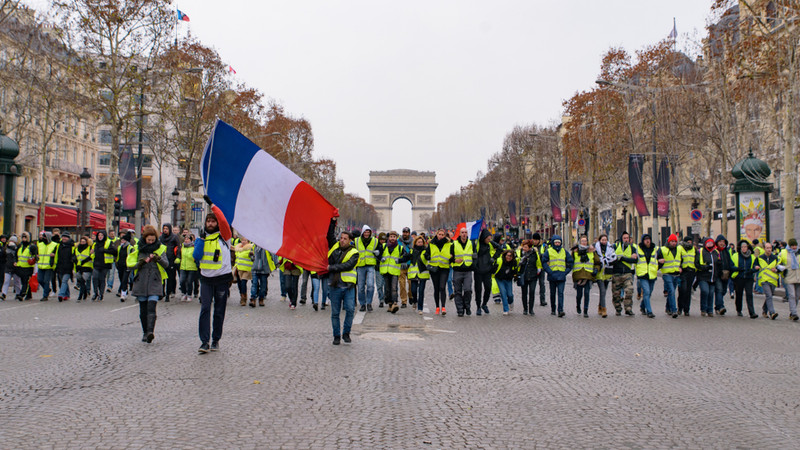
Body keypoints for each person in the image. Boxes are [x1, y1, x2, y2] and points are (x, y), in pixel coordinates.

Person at [194, 205, 234, 354]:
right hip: (206, 279)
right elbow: (196, 257)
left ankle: (215, 339)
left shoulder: (225, 237)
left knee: (219, 310)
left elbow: (224, 221)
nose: (210, 224)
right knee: (205, 308)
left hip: (222, 279)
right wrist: (200, 241)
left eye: (213, 221)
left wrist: (213, 206)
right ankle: (204, 341)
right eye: (208, 222)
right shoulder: (201, 238)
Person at [128, 225, 168, 343]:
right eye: (149, 240)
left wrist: (158, 259)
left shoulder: (160, 248)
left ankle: (150, 331)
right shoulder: (137, 248)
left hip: (154, 281)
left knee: (152, 307)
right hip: (141, 281)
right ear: (144, 238)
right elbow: (130, 265)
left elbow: (166, 264)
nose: (151, 242)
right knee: (143, 310)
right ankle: (145, 332)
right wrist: (140, 263)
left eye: (153, 240)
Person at [327, 217, 359, 345]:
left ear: (350, 241)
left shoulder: (355, 252)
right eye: (341, 238)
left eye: (345, 239)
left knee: (350, 310)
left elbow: (348, 266)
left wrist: (331, 268)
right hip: (335, 285)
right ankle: (336, 335)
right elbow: (329, 235)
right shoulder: (334, 248)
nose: (342, 240)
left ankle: (346, 333)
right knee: (335, 313)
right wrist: (333, 221)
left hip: (348, 287)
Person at [377, 230, 410, 314]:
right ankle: (390, 304)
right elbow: (377, 254)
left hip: (395, 271)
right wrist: (381, 258)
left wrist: (400, 260)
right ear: (389, 237)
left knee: (394, 288)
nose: (392, 238)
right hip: (385, 271)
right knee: (387, 289)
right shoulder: (383, 246)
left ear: (396, 238)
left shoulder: (400, 248)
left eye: (394, 237)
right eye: (391, 236)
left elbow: (407, 256)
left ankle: (395, 303)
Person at [541, 235, 573, 317]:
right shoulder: (548, 251)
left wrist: (565, 272)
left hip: (561, 275)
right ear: (553, 243)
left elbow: (570, 263)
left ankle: (560, 310)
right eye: (556, 242)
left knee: (560, 293)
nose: (557, 244)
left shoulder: (564, 251)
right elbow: (544, 262)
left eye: (559, 242)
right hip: (552, 275)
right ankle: (553, 309)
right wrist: (549, 271)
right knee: (552, 293)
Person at [424, 228, 452, 315]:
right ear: (436, 235)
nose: (440, 236)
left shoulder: (449, 244)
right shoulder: (431, 244)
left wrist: (451, 258)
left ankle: (443, 307)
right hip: (434, 269)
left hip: (444, 268)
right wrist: (428, 257)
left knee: (442, 287)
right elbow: (426, 254)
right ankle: (437, 307)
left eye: (442, 235)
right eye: (439, 234)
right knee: (436, 288)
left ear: (444, 235)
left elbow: (453, 254)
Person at [450, 227, 475, 317]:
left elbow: (474, 255)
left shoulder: (471, 243)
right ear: (460, 234)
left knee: (468, 290)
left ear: (467, 234)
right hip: (457, 270)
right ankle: (460, 310)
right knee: (458, 292)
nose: (464, 234)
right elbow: (449, 257)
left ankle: (467, 306)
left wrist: (473, 266)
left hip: (468, 270)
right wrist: (454, 260)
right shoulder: (454, 244)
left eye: (465, 232)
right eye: (462, 232)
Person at [571, 235, 599, 318]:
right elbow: (570, 261)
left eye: (585, 241)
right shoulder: (575, 251)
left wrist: (596, 270)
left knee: (587, 293)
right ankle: (578, 306)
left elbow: (597, 262)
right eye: (582, 241)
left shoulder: (592, 251)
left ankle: (586, 310)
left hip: (588, 275)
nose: (584, 242)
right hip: (578, 275)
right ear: (580, 242)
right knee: (579, 294)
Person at [611, 231, 638, 316]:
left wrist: (623, 258)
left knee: (630, 290)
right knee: (616, 294)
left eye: (627, 238)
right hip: (616, 273)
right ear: (621, 239)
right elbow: (612, 258)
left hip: (627, 273)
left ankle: (628, 308)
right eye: (624, 238)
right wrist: (627, 257)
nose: (626, 240)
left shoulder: (632, 248)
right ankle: (618, 309)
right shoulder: (615, 247)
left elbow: (635, 260)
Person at [473, 229, 498, 316]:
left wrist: (494, 258)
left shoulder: (490, 244)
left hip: (487, 270)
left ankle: (484, 304)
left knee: (488, 287)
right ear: (484, 238)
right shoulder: (476, 244)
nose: (489, 240)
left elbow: (500, 248)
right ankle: (478, 307)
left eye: (490, 239)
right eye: (488, 238)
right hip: (478, 270)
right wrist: (474, 257)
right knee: (478, 289)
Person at [731, 239, 759, 318]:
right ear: (740, 248)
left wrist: (752, 270)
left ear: (748, 247)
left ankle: (752, 312)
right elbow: (731, 266)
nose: (744, 248)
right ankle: (739, 310)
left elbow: (756, 267)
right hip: (739, 278)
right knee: (739, 294)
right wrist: (737, 268)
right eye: (742, 247)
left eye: (745, 247)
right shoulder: (735, 255)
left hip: (749, 278)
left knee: (749, 294)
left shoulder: (752, 257)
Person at [354, 225, 378, 312]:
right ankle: (362, 304)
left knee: (370, 285)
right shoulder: (356, 241)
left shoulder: (375, 241)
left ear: (370, 232)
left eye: (368, 232)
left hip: (370, 265)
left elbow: (380, 249)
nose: (367, 234)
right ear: (362, 232)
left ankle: (369, 303)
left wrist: (378, 253)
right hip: (360, 265)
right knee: (360, 287)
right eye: (365, 232)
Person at [657, 234, 682, 318]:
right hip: (667, 274)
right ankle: (674, 310)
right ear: (668, 241)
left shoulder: (679, 249)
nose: (674, 243)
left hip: (676, 274)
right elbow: (655, 258)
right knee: (671, 290)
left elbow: (682, 259)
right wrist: (659, 260)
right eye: (672, 241)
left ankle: (667, 308)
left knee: (672, 292)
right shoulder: (662, 249)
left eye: (675, 241)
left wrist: (680, 267)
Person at [696, 237, 721, 317]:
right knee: (705, 291)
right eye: (708, 243)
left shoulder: (716, 252)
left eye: (711, 243)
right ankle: (703, 309)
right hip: (703, 276)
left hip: (713, 277)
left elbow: (719, 263)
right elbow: (696, 264)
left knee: (711, 293)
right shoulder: (700, 251)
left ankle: (710, 310)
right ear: (705, 244)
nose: (710, 244)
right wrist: (705, 267)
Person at [635, 234, 658, 318]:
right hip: (642, 274)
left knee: (649, 293)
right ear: (643, 240)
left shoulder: (655, 249)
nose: (647, 241)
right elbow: (634, 259)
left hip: (652, 274)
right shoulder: (638, 249)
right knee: (647, 292)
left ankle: (642, 306)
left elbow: (658, 259)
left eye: (649, 239)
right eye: (645, 239)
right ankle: (649, 311)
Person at [756, 242, 781, 320]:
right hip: (764, 280)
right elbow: (754, 266)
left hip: (773, 280)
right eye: (767, 248)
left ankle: (764, 309)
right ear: (764, 249)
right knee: (769, 295)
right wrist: (755, 267)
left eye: (770, 248)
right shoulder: (760, 258)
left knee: (769, 296)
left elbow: (780, 268)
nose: (769, 249)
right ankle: (772, 312)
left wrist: (776, 270)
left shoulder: (776, 258)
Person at [593, 234, 615, 318]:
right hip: (599, 273)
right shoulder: (595, 249)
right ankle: (604, 310)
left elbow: (614, 257)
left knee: (604, 292)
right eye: (602, 240)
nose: (604, 241)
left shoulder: (610, 248)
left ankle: (599, 306)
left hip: (607, 272)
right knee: (602, 291)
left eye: (605, 240)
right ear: (599, 240)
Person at [90, 230, 116, 302]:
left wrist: (105, 250)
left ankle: (101, 294)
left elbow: (114, 252)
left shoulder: (109, 242)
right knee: (95, 278)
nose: (100, 237)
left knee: (101, 279)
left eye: (101, 235)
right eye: (99, 235)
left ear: (104, 236)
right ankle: (95, 293)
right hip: (96, 263)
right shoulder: (95, 244)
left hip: (105, 264)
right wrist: (91, 254)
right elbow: (92, 253)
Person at [518, 239, 541, 316]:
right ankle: (525, 309)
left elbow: (538, 262)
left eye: (525, 247)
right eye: (523, 247)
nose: (524, 248)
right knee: (524, 293)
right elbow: (517, 263)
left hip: (533, 275)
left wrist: (539, 270)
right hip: (523, 276)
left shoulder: (534, 253)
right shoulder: (520, 253)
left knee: (532, 292)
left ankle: (531, 309)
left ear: (530, 247)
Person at [408, 235, 429, 315]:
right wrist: (399, 260)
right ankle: (414, 301)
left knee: (421, 291)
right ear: (415, 243)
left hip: (423, 273)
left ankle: (420, 308)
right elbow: (406, 257)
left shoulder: (426, 251)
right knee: (413, 290)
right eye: (418, 242)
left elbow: (428, 257)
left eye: (421, 242)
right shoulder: (412, 251)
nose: (420, 243)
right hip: (414, 274)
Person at [159, 223, 180, 301]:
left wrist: (177, 257)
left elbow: (178, 248)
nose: (165, 230)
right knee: (162, 278)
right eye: (164, 228)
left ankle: (168, 293)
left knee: (170, 278)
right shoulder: (161, 238)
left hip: (171, 260)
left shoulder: (174, 237)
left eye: (166, 229)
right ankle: (162, 292)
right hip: (162, 260)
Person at [15, 231, 38, 301]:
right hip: (20, 266)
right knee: (23, 281)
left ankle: (22, 294)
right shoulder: (20, 246)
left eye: (25, 237)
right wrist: (15, 261)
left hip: (28, 267)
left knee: (26, 281)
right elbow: (16, 255)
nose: (23, 239)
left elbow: (36, 255)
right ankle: (29, 294)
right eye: (23, 237)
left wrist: (34, 258)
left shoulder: (32, 247)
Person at [176, 234, 199, 302]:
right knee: (182, 280)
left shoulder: (194, 247)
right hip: (183, 266)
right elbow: (179, 254)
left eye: (188, 239)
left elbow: (195, 256)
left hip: (191, 267)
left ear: (191, 240)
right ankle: (183, 293)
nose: (186, 240)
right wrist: (178, 259)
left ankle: (189, 294)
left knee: (189, 281)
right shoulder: (182, 247)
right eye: (185, 239)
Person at [677, 236, 697, 316]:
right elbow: (678, 258)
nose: (690, 243)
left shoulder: (693, 249)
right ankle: (680, 308)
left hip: (691, 271)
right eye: (688, 242)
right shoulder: (680, 248)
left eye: (690, 242)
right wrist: (679, 267)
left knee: (688, 291)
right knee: (682, 290)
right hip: (683, 271)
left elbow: (696, 259)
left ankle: (686, 309)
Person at [494, 249, 518, 315]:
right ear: (505, 255)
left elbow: (515, 270)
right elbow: (494, 267)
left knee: (510, 294)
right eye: (507, 255)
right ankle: (506, 309)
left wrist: (515, 276)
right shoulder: (500, 260)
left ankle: (511, 302)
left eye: (510, 256)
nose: (508, 257)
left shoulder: (514, 262)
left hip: (508, 279)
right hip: (500, 279)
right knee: (503, 293)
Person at [36, 230, 57, 301]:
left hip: (49, 266)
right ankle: (47, 289)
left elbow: (57, 255)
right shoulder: (40, 244)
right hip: (41, 265)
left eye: (44, 237)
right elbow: (37, 253)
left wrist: (54, 256)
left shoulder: (54, 245)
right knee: (39, 280)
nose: (43, 238)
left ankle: (45, 296)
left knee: (46, 281)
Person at [713, 235, 731, 315]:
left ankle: (717, 307)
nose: (721, 243)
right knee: (719, 290)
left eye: (723, 242)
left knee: (723, 291)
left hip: (726, 274)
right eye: (720, 242)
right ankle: (720, 306)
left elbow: (729, 261)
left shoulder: (726, 251)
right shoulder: (715, 251)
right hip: (717, 274)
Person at [233, 236, 254, 306]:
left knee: (243, 283)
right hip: (239, 269)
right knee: (239, 284)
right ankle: (242, 295)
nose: (243, 241)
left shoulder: (250, 248)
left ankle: (243, 298)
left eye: (245, 240)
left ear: (248, 241)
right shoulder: (238, 248)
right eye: (242, 240)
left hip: (246, 269)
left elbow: (253, 257)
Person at [782, 238, 800, 321]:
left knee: (797, 296)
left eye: (795, 245)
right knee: (792, 295)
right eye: (792, 245)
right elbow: (779, 263)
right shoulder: (784, 253)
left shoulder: (799, 253)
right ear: (789, 245)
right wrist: (781, 269)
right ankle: (794, 313)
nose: (794, 247)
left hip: (798, 278)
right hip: (789, 277)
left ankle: (792, 312)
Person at [54, 232, 74, 302]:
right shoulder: (59, 246)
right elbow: (56, 255)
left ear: (68, 238)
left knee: (64, 281)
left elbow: (74, 256)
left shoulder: (72, 246)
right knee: (62, 281)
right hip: (60, 266)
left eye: (65, 237)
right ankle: (67, 295)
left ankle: (61, 294)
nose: (64, 238)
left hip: (68, 267)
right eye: (63, 237)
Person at [530, 233, 547, 307]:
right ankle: (531, 299)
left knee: (542, 284)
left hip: (541, 268)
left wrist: (538, 254)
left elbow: (546, 256)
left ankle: (542, 300)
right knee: (532, 285)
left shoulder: (543, 246)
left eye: (536, 240)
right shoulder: (531, 246)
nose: (535, 241)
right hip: (533, 268)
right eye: (534, 239)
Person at [115, 233, 133, 301]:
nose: (122, 242)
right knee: (121, 279)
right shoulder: (120, 247)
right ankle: (125, 290)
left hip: (127, 266)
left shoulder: (130, 248)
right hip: (120, 266)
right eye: (121, 240)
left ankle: (123, 294)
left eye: (123, 240)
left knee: (124, 280)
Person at [74, 236, 93, 301]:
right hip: (79, 267)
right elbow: (75, 257)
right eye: (81, 241)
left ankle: (80, 296)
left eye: (84, 241)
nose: (82, 243)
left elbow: (91, 257)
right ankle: (85, 293)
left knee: (82, 281)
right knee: (81, 281)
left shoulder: (89, 248)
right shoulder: (76, 248)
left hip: (87, 267)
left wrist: (84, 261)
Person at [398, 227, 413, 307]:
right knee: (402, 284)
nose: (405, 233)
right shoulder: (398, 242)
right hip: (401, 266)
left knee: (411, 284)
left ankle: (410, 295)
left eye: (406, 232)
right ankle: (404, 301)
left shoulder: (413, 242)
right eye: (404, 232)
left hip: (410, 266)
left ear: (409, 233)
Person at [2, 235, 19, 300]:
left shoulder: (17, 249)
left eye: (13, 241)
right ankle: (4, 294)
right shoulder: (6, 249)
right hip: (8, 267)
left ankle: (18, 293)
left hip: (15, 268)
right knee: (6, 281)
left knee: (17, 281)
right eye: (11, 241)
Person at [375, 232, 387, 307]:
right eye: (381, 239)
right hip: (378, 268)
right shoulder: (375, 246)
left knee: (386, 285)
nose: (382, 241)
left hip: (386, 268)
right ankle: (381, 300)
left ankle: (385, 297)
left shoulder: (388, 246)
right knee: (379, 285)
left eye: (384, 239)